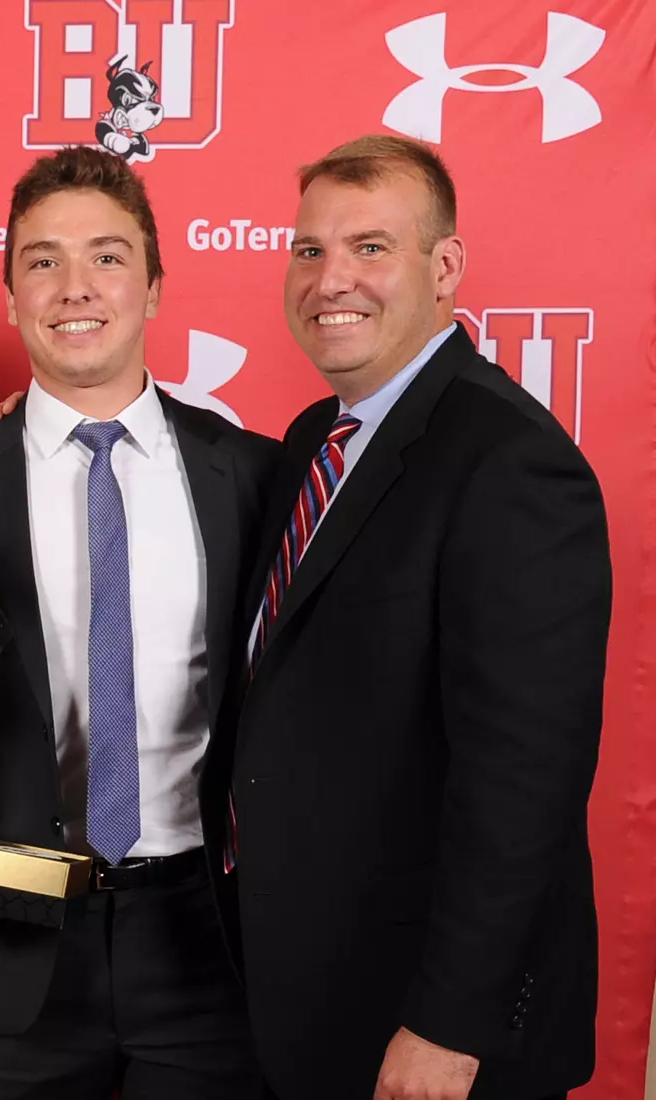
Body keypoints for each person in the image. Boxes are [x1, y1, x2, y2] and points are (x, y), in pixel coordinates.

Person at [0, 145, 276, 1098]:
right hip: (8, 942)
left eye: (106, 256)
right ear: (9, 293)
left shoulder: (255, 479)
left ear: (154, 284)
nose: (73, 287)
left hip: (207, 947)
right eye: (41, 261)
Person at [227, 135, 609, 1100]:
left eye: (368, 247)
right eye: (308, 250)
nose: (329, 280)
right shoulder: (319, 440)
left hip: (428, 1030)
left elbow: (523, 782)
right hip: (310, 994)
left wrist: (449, 1023)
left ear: (443, 269)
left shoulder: (509, 463)